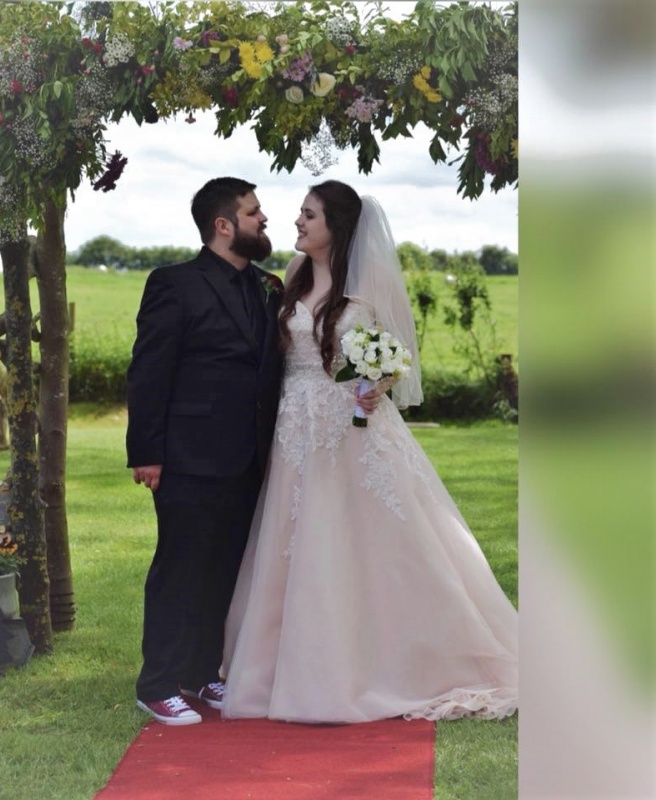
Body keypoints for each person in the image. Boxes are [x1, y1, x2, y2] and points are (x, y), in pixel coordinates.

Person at [221, 180, 518, 723]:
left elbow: (391, 354)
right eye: (299, 214)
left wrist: (376, 383)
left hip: (351, 429)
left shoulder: (366, 288)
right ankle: (290, 665)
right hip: (295, 429)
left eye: (308, 215)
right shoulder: (292, 276)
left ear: (336, 224)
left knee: (369, 541)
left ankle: (399, 658)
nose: (298, 222)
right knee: (295, 540)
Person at [126, 177, 285, 725]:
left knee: (223, 570)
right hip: (187, 455)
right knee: (180, 568)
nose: (263, 219)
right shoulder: (174, 283)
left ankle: (200, 675)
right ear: (224, 225)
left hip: (248, 458)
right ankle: (156, 685)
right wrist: (146, 452)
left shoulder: (268, 286)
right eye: (253, 212)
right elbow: (149, 370)